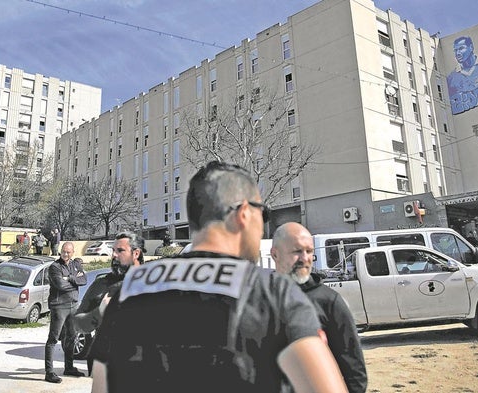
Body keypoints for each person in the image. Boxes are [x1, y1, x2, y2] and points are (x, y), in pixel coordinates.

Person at [89, 161, 347, 393]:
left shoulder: (131, 289)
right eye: (263, 214)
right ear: (244, 213)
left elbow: (101, 388)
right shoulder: (272, 292)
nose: (263, 226)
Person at [271, 222, 367, 393]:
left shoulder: (329, 301)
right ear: (275, 254)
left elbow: (354, 370)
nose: (305, 258)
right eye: (297, 251)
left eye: (309, 251)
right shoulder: (259, 297)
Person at [73, 231, 146, 375]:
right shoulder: (101, 285)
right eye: (113, 250)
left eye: (120, 251)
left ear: (136, 253)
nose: (113, 255)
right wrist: (98, 313)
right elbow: (78, 323)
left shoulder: (155, 284)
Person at [44, 241, 87, 384]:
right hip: (59, 306)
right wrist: (74, 283)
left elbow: (84, 280)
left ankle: (69, 367)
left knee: (71, 337)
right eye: (64, 251)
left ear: (73, 252)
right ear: (60, 251)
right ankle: (49, 372)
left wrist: (69, 278)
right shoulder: (54, 267)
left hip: (73, 305)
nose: (65, 254)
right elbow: (60, 286)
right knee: (53, 339)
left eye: (68, 252)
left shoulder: (76, 264)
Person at [447, 36, 478, 115]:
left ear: (471, 47)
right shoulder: (451, 79)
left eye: (461, 48)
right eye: (455, 50)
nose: (457, 53)